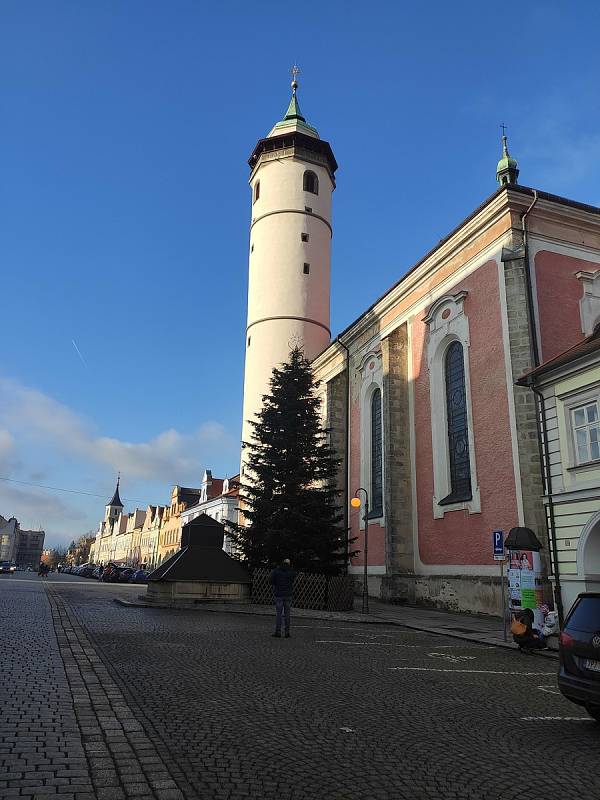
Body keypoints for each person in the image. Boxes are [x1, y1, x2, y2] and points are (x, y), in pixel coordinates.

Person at [270, 558, 297, 638]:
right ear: (289, 564)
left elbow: (271, 581)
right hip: (288, 594)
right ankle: (287, 632)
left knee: (279, 614)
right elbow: (293, 578)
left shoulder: (277, 571)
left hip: (278, 594)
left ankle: (278, 632)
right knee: (287, 614)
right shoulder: (291, 572)